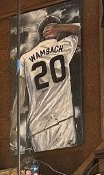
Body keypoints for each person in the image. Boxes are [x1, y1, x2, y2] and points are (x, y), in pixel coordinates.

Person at [15, 16, 82, 152]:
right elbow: (81, 29)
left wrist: (13, 128)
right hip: (62, 118)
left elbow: (20, 97)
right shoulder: (65, 45)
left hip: (37, 125)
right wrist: (61, 28)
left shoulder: (24, 58)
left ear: (40, 36)